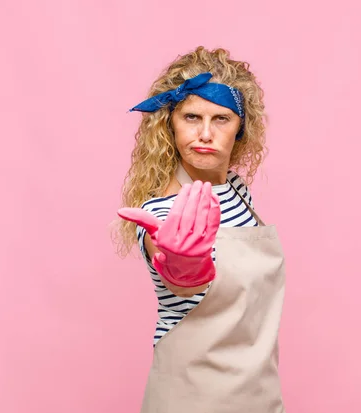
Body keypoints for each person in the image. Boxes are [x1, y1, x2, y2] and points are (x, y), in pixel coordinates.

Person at [113, 46, 286, 413]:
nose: (205, 133)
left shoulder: (238, 193)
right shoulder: (161, 211)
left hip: (259, 398)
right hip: (190, 400)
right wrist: (184, 268)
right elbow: (174, 270)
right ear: (169, 123)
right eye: (191, 117)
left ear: (241, 129)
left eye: (221, 119)